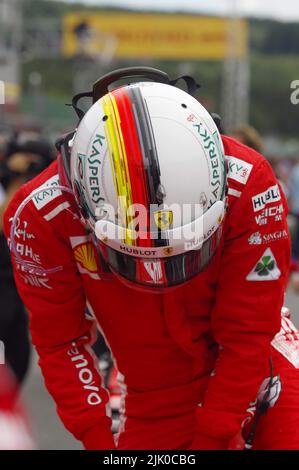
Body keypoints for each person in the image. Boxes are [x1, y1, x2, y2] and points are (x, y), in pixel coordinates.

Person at [3, 67, 293, 450]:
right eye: (135, 254)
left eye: (184, 246)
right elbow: (61, 341)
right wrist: (97, 437)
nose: (158, 272)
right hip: (154, 396)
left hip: (258, 364)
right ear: (85, 207)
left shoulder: (251, 185)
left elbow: (248, 332)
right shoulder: (37, 216)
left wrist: (213, 434)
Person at [0, 131, 54, 385]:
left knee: (19, 355)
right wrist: (10, 175)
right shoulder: (5, 181)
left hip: (26, 280)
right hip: (5, 283)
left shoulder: (47, 192)